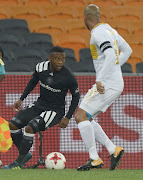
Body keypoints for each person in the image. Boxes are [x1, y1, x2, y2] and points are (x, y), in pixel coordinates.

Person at [2, 46, 80, 169]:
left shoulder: (68, 76)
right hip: (39, 105)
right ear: (50, 58)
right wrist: (21, 99)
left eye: (63, 59)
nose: (60, 62)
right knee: (13, 124)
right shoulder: (40, 67)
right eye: (57, 59)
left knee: (30, 127)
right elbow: (33, 82)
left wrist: (68, 117)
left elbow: (76, 97)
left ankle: (17, 163)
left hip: (55, 110)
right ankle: (25, 154)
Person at [75, 4, 132, 171]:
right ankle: (113, 150)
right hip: (115, 82)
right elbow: (127, 51)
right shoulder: (110, 30)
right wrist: (114, 69)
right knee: (87, 117)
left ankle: (94, 159)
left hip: (106, 83)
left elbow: (109, 54)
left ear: (85, 19)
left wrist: (100, 78)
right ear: (99, 16)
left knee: (80, 116)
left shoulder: (97, 33)